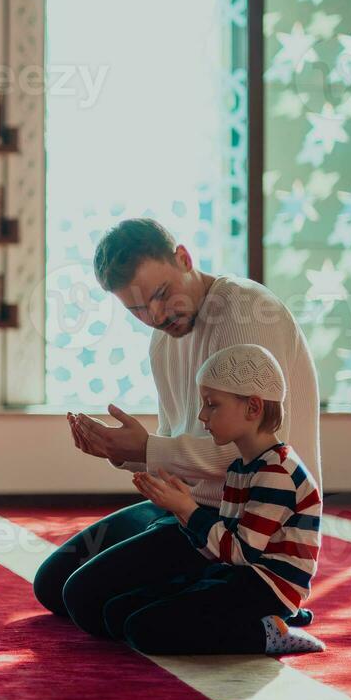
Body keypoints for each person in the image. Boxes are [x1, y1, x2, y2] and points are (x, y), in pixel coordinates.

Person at [32, 218, 322, 639]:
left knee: (88, 602)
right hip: (188, 507)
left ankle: (257, 604)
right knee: (53, 587)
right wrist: (121, 450)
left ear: (184, 258)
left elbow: (256, 451)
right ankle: (193, 594)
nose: (155, 315)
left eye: (161, 294)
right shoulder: (163, 340)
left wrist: (149, 448)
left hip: (248, 522)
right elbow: (179, 449)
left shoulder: (242, 313)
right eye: (136, 310)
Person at [120, 344, 324, 654]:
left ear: (253, 408)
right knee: (118, 612)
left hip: (266, 587)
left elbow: (241, 553)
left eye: (212, 405)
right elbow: (221, 549)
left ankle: (268, 632)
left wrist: (188, 508)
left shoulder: (277, 472)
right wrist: (183, 510)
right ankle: (270, 619)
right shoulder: (241, 468)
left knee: (143, 629)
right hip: (239, 574)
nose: (202, 415)